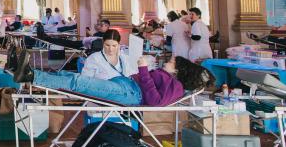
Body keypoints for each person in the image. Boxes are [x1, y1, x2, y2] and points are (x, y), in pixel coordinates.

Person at [13, 51, 212, 106]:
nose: (168, 61)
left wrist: (143, 70)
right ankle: (22, 69)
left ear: (179, 70)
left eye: (172, 62)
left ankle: (31, 75)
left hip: (130, 94)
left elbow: (155, 102)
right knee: (70, 75)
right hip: (126, 85)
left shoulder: (176, 86)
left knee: (78, 83)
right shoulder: (170, 80)